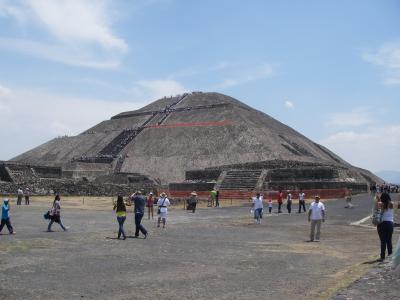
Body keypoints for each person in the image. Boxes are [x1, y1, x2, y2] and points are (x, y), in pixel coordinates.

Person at [377, 192, 394, 262]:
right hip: (390, 223)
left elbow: (377, 204)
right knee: (389, 240)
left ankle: (382, 257)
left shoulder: (380, 204)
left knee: (383, 241)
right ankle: (390, 255)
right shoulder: (391, 204)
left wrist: (378, 198)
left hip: (382, 223)